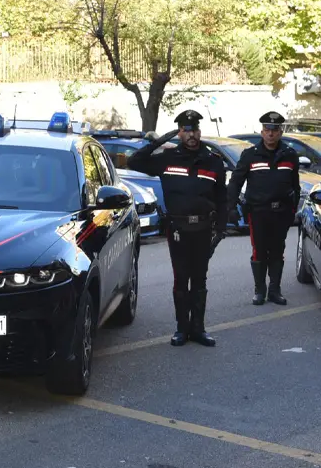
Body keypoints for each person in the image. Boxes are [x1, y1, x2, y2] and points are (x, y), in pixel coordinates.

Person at [127, 110, 228, 347]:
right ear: (179, 133)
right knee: (181, 279)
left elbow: (222, 197)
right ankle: (182, 329)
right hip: (178, 229)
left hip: (204, 228)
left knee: (200, 279)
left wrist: (221, 229)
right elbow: (134, 161)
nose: (191, 135)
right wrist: (160, 141)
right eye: (185, 130)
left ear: (199, 132)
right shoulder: (168, 158)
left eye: (194, 130)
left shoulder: (212, 161)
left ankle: (198, 329)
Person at [227, 111, 302, 306]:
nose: (270, 134)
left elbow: (295, 185)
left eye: (274, 130)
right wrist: (231, 206)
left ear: (280, 132)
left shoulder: (290, 155)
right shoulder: (250, 155)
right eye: (267, 130)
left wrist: (292, 209)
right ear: (262, 132)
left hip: (281, 212)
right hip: (258, 212)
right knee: (259, 251)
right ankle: (259, 290)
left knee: (277, 251)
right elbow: (235, 182)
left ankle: (275, 290)